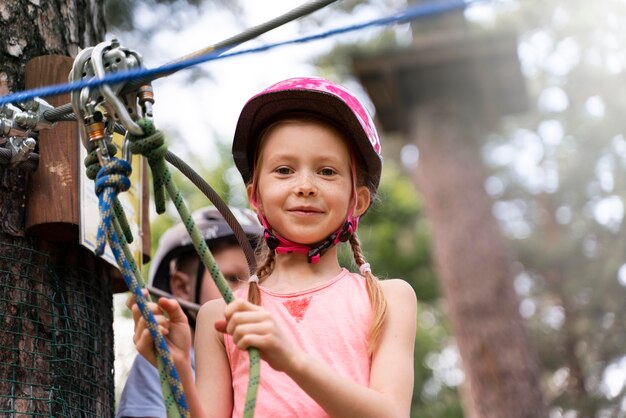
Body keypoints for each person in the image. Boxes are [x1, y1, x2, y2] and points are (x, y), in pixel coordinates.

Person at [129, 77, 417, 418]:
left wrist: (291, 359)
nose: (306, 186)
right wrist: (176, 367)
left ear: (359, 200)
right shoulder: (221, 316)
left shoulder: (387, 299)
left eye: (327, 171)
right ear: (256, 197)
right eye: (284, 170)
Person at [117, 206, 263, 418]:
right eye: (232, 278)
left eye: (260, 282)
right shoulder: (158, 364)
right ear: (182, 287)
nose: (247, 294)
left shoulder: (271, 361)